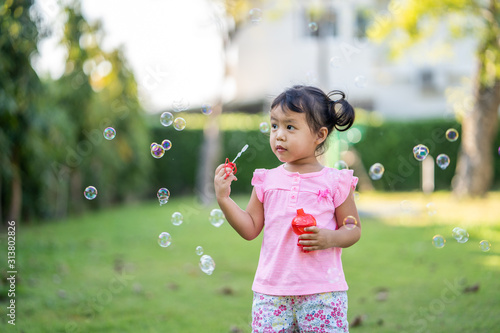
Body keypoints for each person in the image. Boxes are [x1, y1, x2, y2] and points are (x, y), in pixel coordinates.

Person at [214, 85, 361, 332]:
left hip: (322, 292)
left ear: (320, 135)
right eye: (274, 126)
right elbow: (250, 229)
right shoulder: (265, 180)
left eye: (290, 127)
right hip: (271, 293)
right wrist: (224, 199)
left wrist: (331, 238)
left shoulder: (336, 181)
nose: (279, 135)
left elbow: (353, 228)